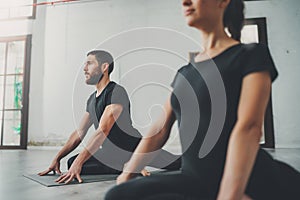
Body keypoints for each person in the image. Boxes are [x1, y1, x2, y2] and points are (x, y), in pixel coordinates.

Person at [105, 0, 300, 199]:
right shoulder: (185, 72)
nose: (185, 1)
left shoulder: (250, 55)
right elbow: (159, 130)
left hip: (251, 179)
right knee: (119, 195)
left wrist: (230, 195)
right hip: (195, 179)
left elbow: (249, 127)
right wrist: (127, 174)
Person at [38, 50, 181, 184]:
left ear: (104, 67)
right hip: (110, 153)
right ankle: (126, 165)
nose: (84, 68)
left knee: (178, 163)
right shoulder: (92, 99)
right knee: (72, 162)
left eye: (89, 63)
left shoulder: (116, 92)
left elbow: (103, 130)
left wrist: (78, 163)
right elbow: (79, 132)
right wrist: (57, 158)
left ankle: (133, 162)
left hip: (134, 148)